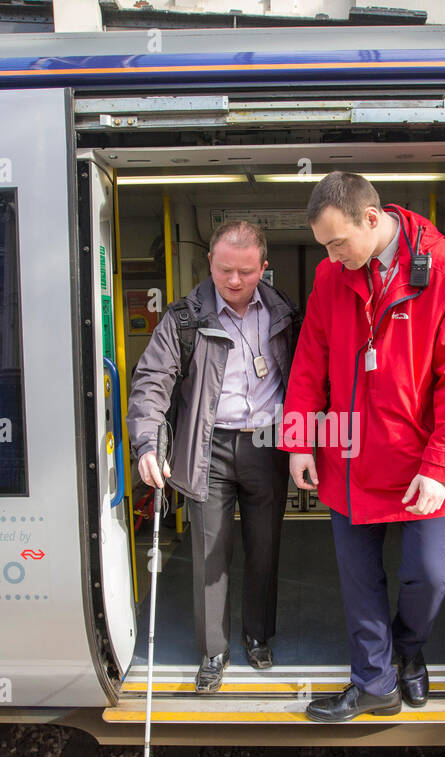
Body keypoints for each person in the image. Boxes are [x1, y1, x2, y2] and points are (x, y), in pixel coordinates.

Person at [281, 172, 445, 722]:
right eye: (323, 246)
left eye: (337, 243)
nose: (330, 256)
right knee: (360, 578)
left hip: (428, 461)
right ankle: (374, 681)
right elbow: (309, 362)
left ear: (371, 219)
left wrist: (442, 467)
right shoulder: (332, 277)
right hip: (351, 458)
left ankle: (410, 650)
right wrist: (301, 441)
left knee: (430, 572)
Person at [127, 221, 298, 693]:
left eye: (246, 271)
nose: (235, 281)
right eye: (225, 270)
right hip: (208, 446)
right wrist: (146, 442)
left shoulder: (285, 314)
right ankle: (214, 650)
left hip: (267, 445)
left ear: (264, 267)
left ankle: (258, 635)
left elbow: (306, 377)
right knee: (210, 554)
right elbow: (152, 382)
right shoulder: (184, 318)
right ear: (210, 263)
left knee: (264, 549)